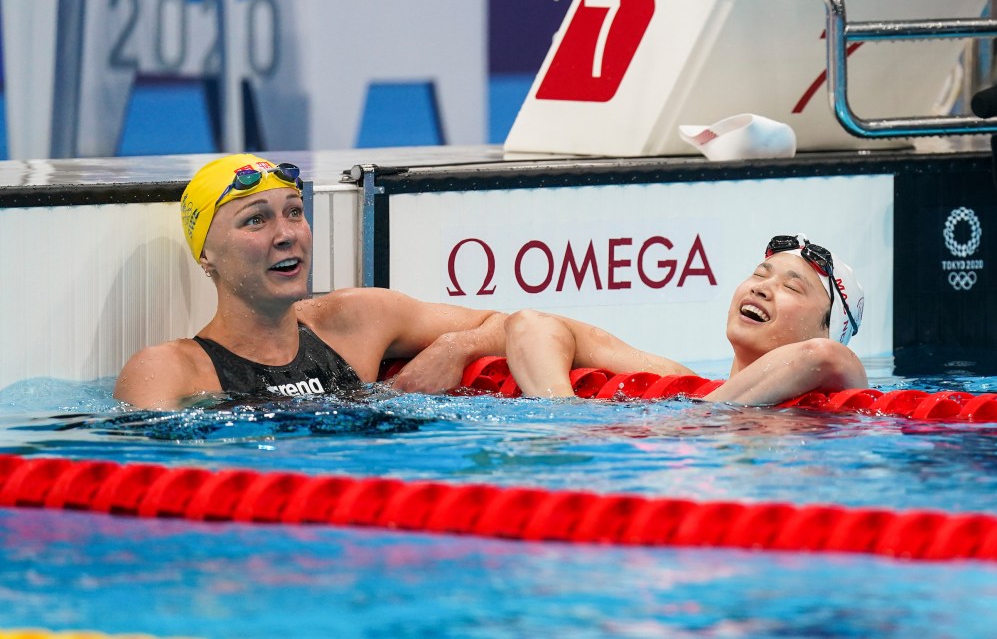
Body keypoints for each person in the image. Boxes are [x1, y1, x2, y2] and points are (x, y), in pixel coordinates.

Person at [114, 154, 506, 410]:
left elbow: (509, 324)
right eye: (255, 219)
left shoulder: (356, 320)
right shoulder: (170, 370)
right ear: (206, 255)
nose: (287, 235)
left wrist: (457, 347)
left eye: (295, 212)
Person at [504, 234, 868, 405]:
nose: (762, 289)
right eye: (760, 274)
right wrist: (562, 417)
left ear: (829, 327)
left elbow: (822, 356)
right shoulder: (681, 384)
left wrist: (699, 421)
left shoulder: (840, 387)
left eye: (792, 286)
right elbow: (532, 324)